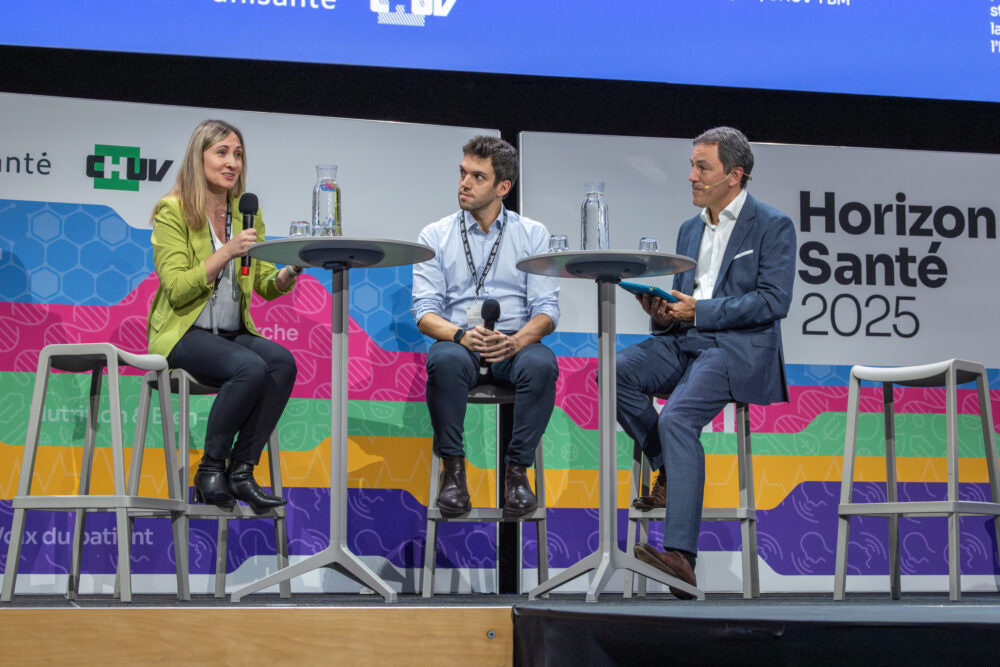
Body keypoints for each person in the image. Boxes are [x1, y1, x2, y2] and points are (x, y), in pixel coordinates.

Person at [616, 127, 796, 597]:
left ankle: (681, 556)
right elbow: (682, 302)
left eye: (702, 167)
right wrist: (662, 313)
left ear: (734, 175)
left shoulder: (772, 225)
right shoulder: (689, 228)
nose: (691, 176)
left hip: (737, 348)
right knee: (612, 373)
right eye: (692, 166)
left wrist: (701, 312)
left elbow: (774, 301)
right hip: (685, 341)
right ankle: (669, 467)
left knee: (676, 418)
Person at [147, 119, 303, 514]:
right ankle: (210, 469)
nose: (232, 162)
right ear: (198, 158)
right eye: (222, 153)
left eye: (238, 154)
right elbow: (176, 287)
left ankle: (241, 470)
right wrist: (226, 251)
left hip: (230, 333)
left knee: (281, 363)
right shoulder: (173, 210)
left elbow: (264, 282)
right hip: (183, 333)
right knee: (249, 367)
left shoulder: (246, 211)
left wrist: (290, 270)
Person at [412, 136, 559, 518]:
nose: (464, 183)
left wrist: (517, 342)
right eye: (463, 173)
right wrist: (461, 335)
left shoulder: (532, 234)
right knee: (444, 361)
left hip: (514, 342)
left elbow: (546, 310)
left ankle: (517, 473)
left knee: (541, 364)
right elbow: (425, 313)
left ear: (502, 187)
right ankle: (453, 472)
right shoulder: (435, 235)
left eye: (478, 177)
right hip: (460, 339)